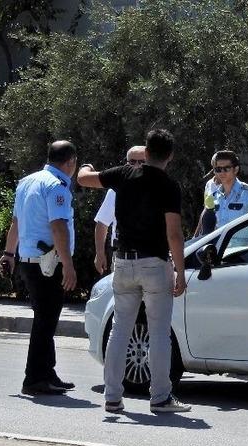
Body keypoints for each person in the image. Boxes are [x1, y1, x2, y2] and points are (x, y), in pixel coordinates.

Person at [77, 129, 190, 414]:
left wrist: (85, 167)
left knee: (120, 330)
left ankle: (113, 397)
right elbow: (174, 234)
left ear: (147, 152)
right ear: (170, 156)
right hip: (154, 263)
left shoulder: (123, 174)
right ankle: (160, 397)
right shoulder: (169, 186)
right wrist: (180, 270)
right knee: (159, 332)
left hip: (123, 262)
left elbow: (83, 179)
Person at [0, 141, 78, 396]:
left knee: (45, 319)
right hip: (48, 264)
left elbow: (16, 222)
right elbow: (58, 227)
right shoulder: (57, 186)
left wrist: (9, 253)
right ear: (70, 162)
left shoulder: (27, 181)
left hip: (29, 261)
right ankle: (34, 379)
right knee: (45, 322)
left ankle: (47, 372)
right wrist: (68, 265)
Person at [93, 146, 146, 274]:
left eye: (142, 162)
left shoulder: (161, 187)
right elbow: (102, 224)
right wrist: (100, 253)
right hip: (122, 258)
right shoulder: (115, 191)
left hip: (151, 258)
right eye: (132, 162)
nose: (137, 165)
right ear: (126, 164)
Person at [210, 150, 248, 229]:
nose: (222, 172)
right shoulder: (215, 196)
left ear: (235, 170)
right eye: (218, 169)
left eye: (226, 168)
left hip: (244, 241)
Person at [193, 171, 220, 237]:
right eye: (217, 168)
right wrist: (196, 234)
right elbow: (205, 208)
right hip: (206, 227)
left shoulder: (229, 185)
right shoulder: (209, 183)